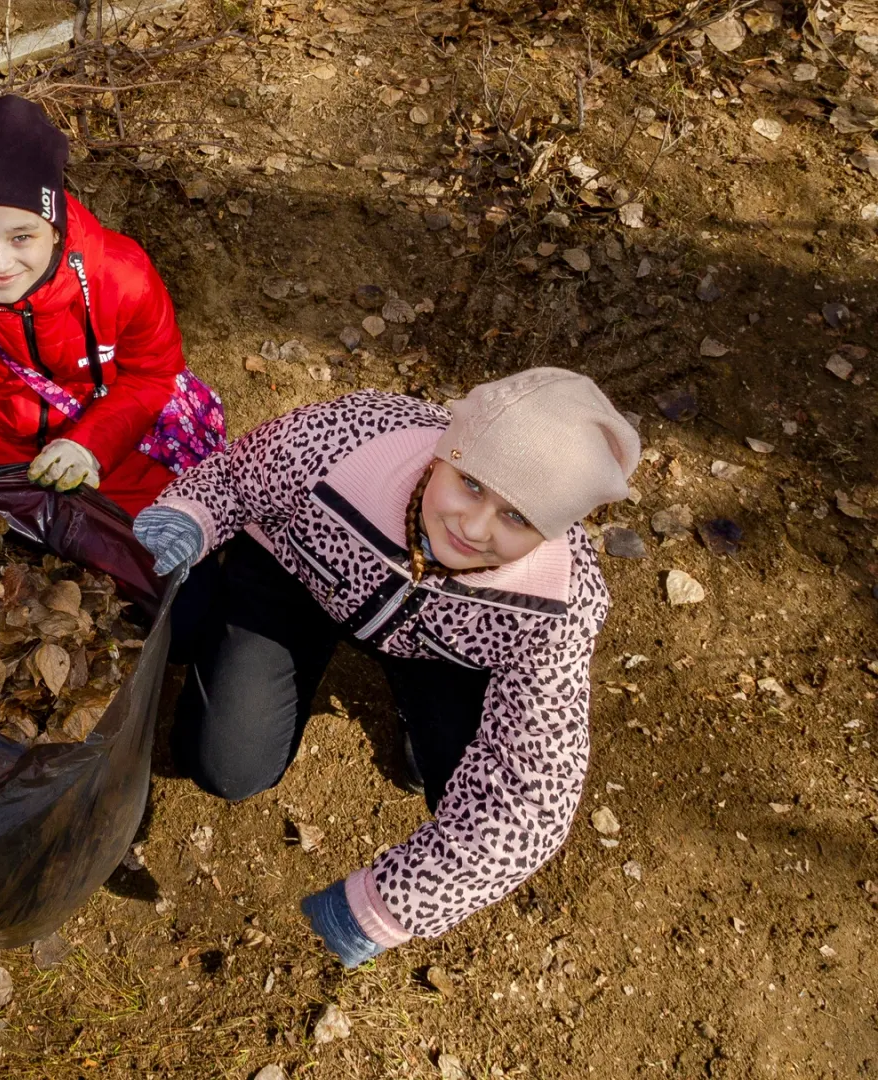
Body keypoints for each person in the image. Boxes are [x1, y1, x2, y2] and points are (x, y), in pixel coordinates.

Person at [131, 368, 640, 967]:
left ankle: (415, 708)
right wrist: (188, 515)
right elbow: (237, 476)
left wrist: (390, 904)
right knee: (227, 766)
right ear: (446, 449)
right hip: (298, 580)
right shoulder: (348, 440)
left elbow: (532, 795)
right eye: (471, 483)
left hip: (442, 648)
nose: (473, 528)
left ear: (556, 529)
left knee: (458, 779)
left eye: (519, 517)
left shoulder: (557, 602)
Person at [0, 95, 222, 515]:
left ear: (56, 226)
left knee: (161, 554)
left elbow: (153, 375)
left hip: (118, 440)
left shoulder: (121, 276)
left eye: (21, 237)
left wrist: (90, 446)